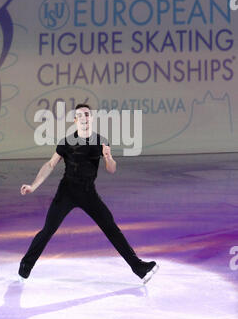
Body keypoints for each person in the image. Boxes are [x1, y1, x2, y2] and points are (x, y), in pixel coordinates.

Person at [18, 103, 158, 284]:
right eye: (80, 115)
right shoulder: (67, 141)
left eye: (87, 114)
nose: (84, 117)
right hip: (67, 192)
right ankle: (25, 266)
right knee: (48, 230)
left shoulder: (100, 141)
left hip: (88, 193)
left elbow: (112, 169)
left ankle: (138, 267)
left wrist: (108, 157)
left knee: (111, 227)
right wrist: (33, 186)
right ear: (76, 120)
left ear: (91, 118)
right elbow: (50, 164)